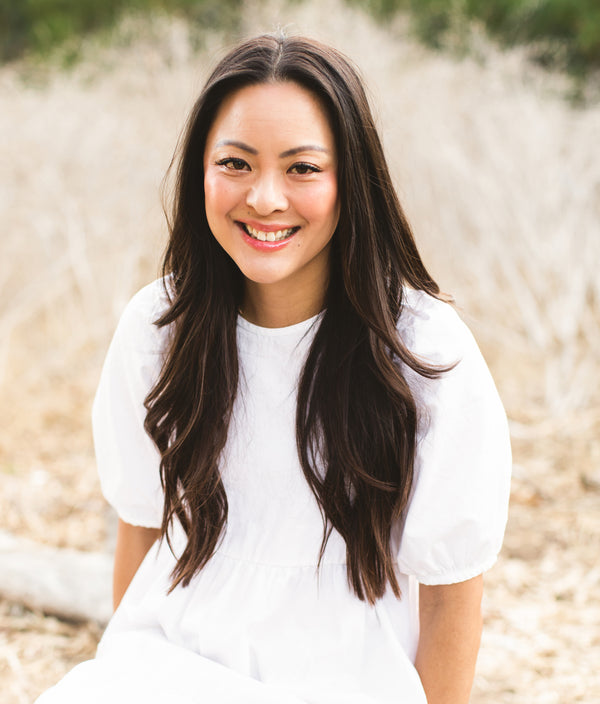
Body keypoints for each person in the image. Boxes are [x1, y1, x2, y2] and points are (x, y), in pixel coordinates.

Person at [37, 33, 511, 704]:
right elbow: (140, 527)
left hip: (342, 686)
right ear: (200, 170)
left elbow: (452, 593)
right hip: (170, 664)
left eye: (302, 168)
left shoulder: (425, 352)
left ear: (352, 179)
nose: (264, 198)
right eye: (235, 162)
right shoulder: (158, 328)